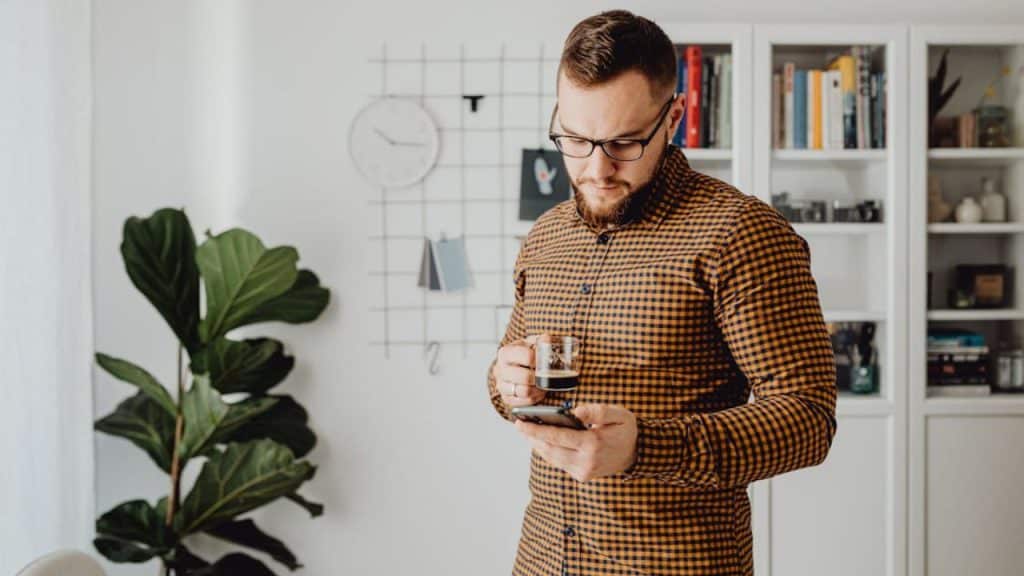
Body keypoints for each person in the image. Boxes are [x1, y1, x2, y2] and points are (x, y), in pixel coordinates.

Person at [486, 10, 838, 576]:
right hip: (542, 560)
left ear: (672, 117)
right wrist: (505, 382)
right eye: (574, 139)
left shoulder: (741, 233)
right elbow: (508, 387)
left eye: (625, 142)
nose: (596, 168)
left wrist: (646, 447)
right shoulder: (545, 235)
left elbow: (808, 419)